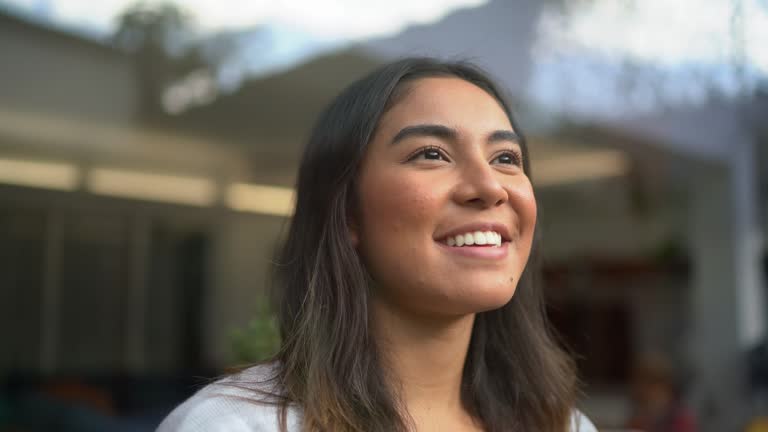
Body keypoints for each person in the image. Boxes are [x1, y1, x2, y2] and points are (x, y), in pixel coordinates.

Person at [157, 58, 597, 432]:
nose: (489, 187)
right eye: (431, 153)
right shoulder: (237, 425)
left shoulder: (561, 424)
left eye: (506, 158)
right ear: (348, 212)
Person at [625, 353, 696, 432]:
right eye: (641, 385)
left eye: (651, 385)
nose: (645, 392)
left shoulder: (681, 418)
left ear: (667, 387)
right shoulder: (639, 416)